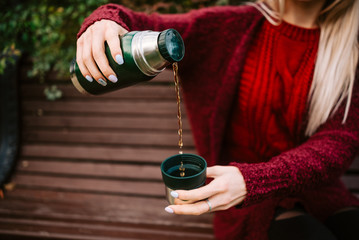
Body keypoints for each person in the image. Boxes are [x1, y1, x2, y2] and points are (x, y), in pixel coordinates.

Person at [75, 0, 359, 239]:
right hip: (242, 206)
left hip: (315, 191)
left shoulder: (349, 50)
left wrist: (254, 180)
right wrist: (105, 20)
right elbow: (140, 22)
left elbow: (337, 143)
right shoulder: (227, 28)